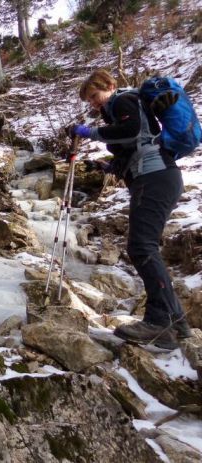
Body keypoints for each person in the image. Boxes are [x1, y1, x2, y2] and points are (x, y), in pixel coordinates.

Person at [68, 68, 192, 350]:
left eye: (95, 96)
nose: (94, 103)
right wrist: (107, 166)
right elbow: (135, 145)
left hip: (155, 178)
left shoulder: (122, 101)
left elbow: (131, 130)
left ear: (110, 86)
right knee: (144, 247)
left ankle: (160, 322)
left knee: (141, 248)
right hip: (158, 177)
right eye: (89, 100)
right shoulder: (123, 107)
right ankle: (177, 324)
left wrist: (89, 132)